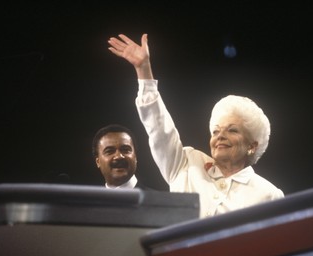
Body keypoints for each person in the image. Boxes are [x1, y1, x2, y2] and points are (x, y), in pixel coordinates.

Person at [108, 34, 284, 217]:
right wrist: (143, 70)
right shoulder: (186, 163)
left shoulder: (269, 195)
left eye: (232, 130)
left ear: (252, 146)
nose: (220, 136)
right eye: (216, 131)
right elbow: (159, 129)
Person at [92, 123, 155, 191]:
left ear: (135, 157)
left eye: (125, 150)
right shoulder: (89, 201)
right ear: (98, 162)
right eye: (110, 151)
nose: (119, 156)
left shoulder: (159, 200)